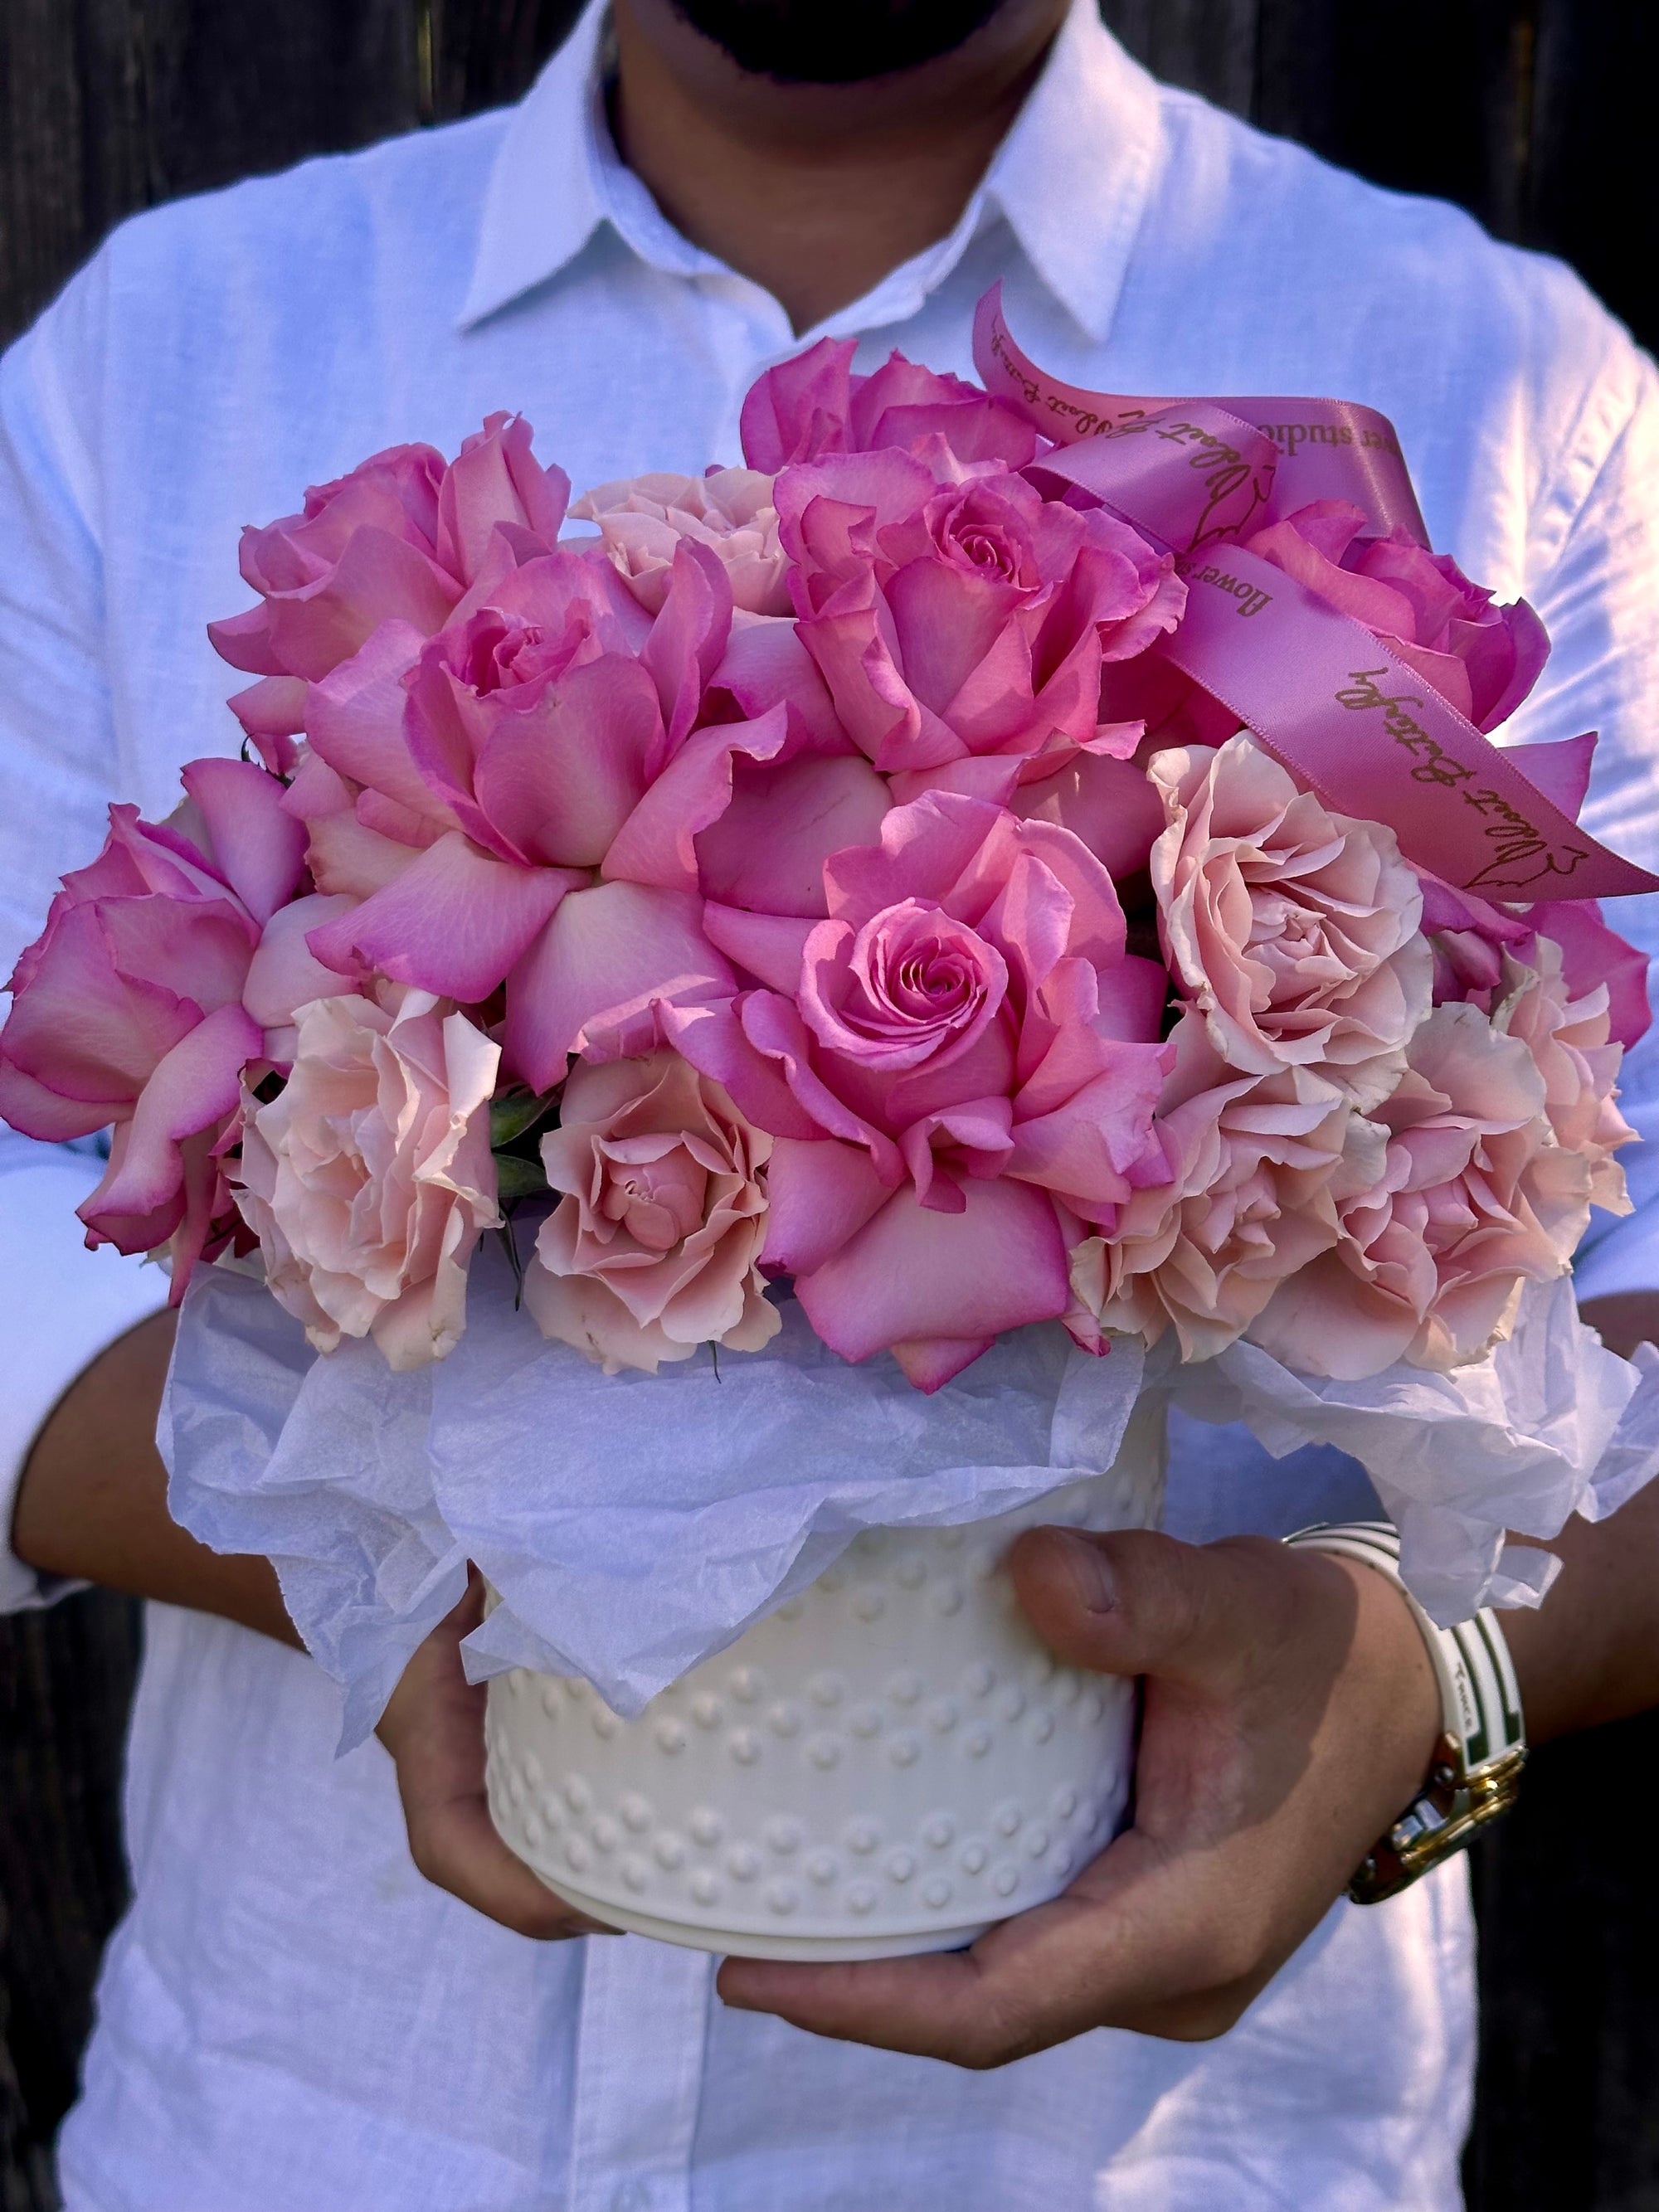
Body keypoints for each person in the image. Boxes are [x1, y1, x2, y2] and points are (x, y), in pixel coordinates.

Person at [5, 0, 1659, 2204]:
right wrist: (433, 1544)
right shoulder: (174, 343)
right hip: (317, 2131)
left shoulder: (1493, 376)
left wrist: (1411, 1678)